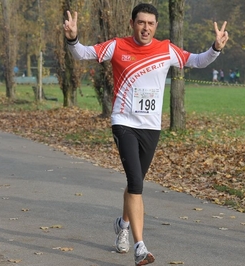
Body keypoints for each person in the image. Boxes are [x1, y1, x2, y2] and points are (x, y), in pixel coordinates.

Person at [63, 3, 228, 265]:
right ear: (132, 24)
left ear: (156, 26)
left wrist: (215, 48)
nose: (146, 28)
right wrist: (72, 38)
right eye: (141, 22)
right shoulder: (117, 46)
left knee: (135, 181)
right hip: (124, 123)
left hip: (151, 127)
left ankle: (123, 225)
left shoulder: (166, 49)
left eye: (151, 23)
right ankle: (140, 247)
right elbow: (82, 54)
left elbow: (196, 60)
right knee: (137, 183)